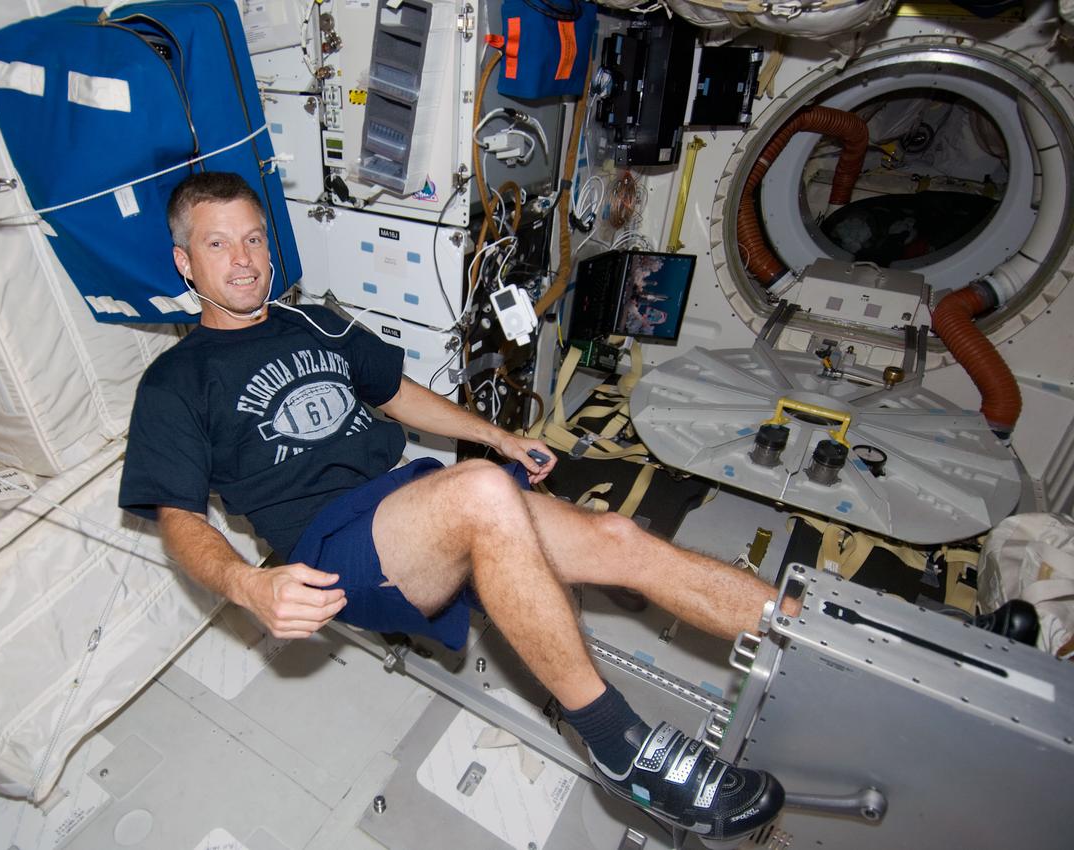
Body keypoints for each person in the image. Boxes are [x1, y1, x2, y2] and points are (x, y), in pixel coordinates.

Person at [120, 172, 791, 842]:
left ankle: (802, 634)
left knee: (616, 536)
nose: (244, 260)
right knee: (480, 491)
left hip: (404, 498)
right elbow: (178, 518)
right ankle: (618, 746)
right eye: (218, 244)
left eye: (254, 239)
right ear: (186, 262)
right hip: (328, 548)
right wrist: (246, 582)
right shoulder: (175, 381)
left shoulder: (314, 323)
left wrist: (497, 435)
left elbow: (396, 392)